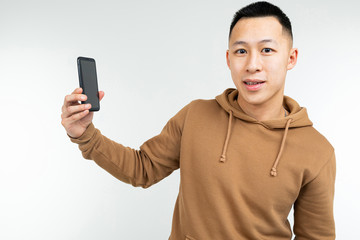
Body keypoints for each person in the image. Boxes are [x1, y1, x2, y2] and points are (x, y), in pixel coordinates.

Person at [61, 1, 336, 239]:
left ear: (291, 58)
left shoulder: (316, 151)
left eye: (267, 50)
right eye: (241, 51)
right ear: (229, 59)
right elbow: (141, 169)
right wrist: (84, 133)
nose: (252, 64)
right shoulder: (196, 116)